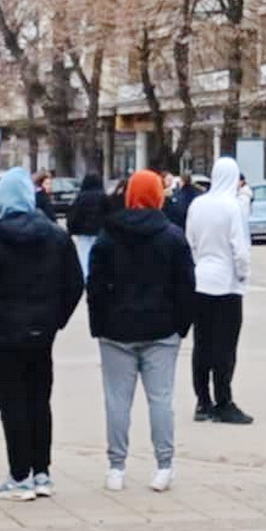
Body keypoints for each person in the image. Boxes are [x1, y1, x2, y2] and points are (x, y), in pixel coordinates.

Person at [0, 168, 83, 499]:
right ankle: (41, 472)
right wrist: (55, 320)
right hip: (40, 335)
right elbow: (74, 284)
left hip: (1, 338)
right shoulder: (56, 237)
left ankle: (19, 476)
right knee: (38, 401)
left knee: (12, 405)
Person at [87, 169, 196, 492]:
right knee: (160, 399)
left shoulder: (109, 235)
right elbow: (186, 285)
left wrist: (99, 325)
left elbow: (94, 285)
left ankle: (116, 467)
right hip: (162, 329)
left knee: (117, 400)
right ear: (158, 196)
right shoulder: (172, 236)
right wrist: (181, 325)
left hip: (116, 329)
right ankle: (164, 466)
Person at [185, 156, 254, 424]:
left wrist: (198, 266)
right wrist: (243, 276)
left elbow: (189, 241)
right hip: (227, 285)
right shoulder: (232, 207)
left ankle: (202, 402)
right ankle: (223, 400)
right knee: (225, 346)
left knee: (202, 344)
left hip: (200, 281)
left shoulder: (197, 204)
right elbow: (240, 248)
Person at [67, 171, 109, 277]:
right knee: (99, 257)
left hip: (83, 233)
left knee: (84, 257)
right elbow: (109, 215)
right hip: (100, 233)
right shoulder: (104, 197)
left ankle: (86, 277)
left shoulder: (81, 197)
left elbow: (73, 215)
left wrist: (72, 230)